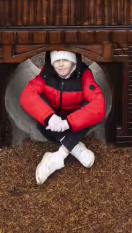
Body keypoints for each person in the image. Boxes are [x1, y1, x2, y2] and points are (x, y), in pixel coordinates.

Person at [20, 50, 106, 185]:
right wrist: (49, 117)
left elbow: (98, 105)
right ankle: (75, 147)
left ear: (73, 61)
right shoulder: (47, 74)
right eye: (56, 61)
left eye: (65, 60)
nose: (60, 65)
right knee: (42, 122)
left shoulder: (83, 74)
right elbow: (27, 94)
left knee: (86, 117)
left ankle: (57, 157)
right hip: (54, 116)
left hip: (74, 117)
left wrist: (68, 123)